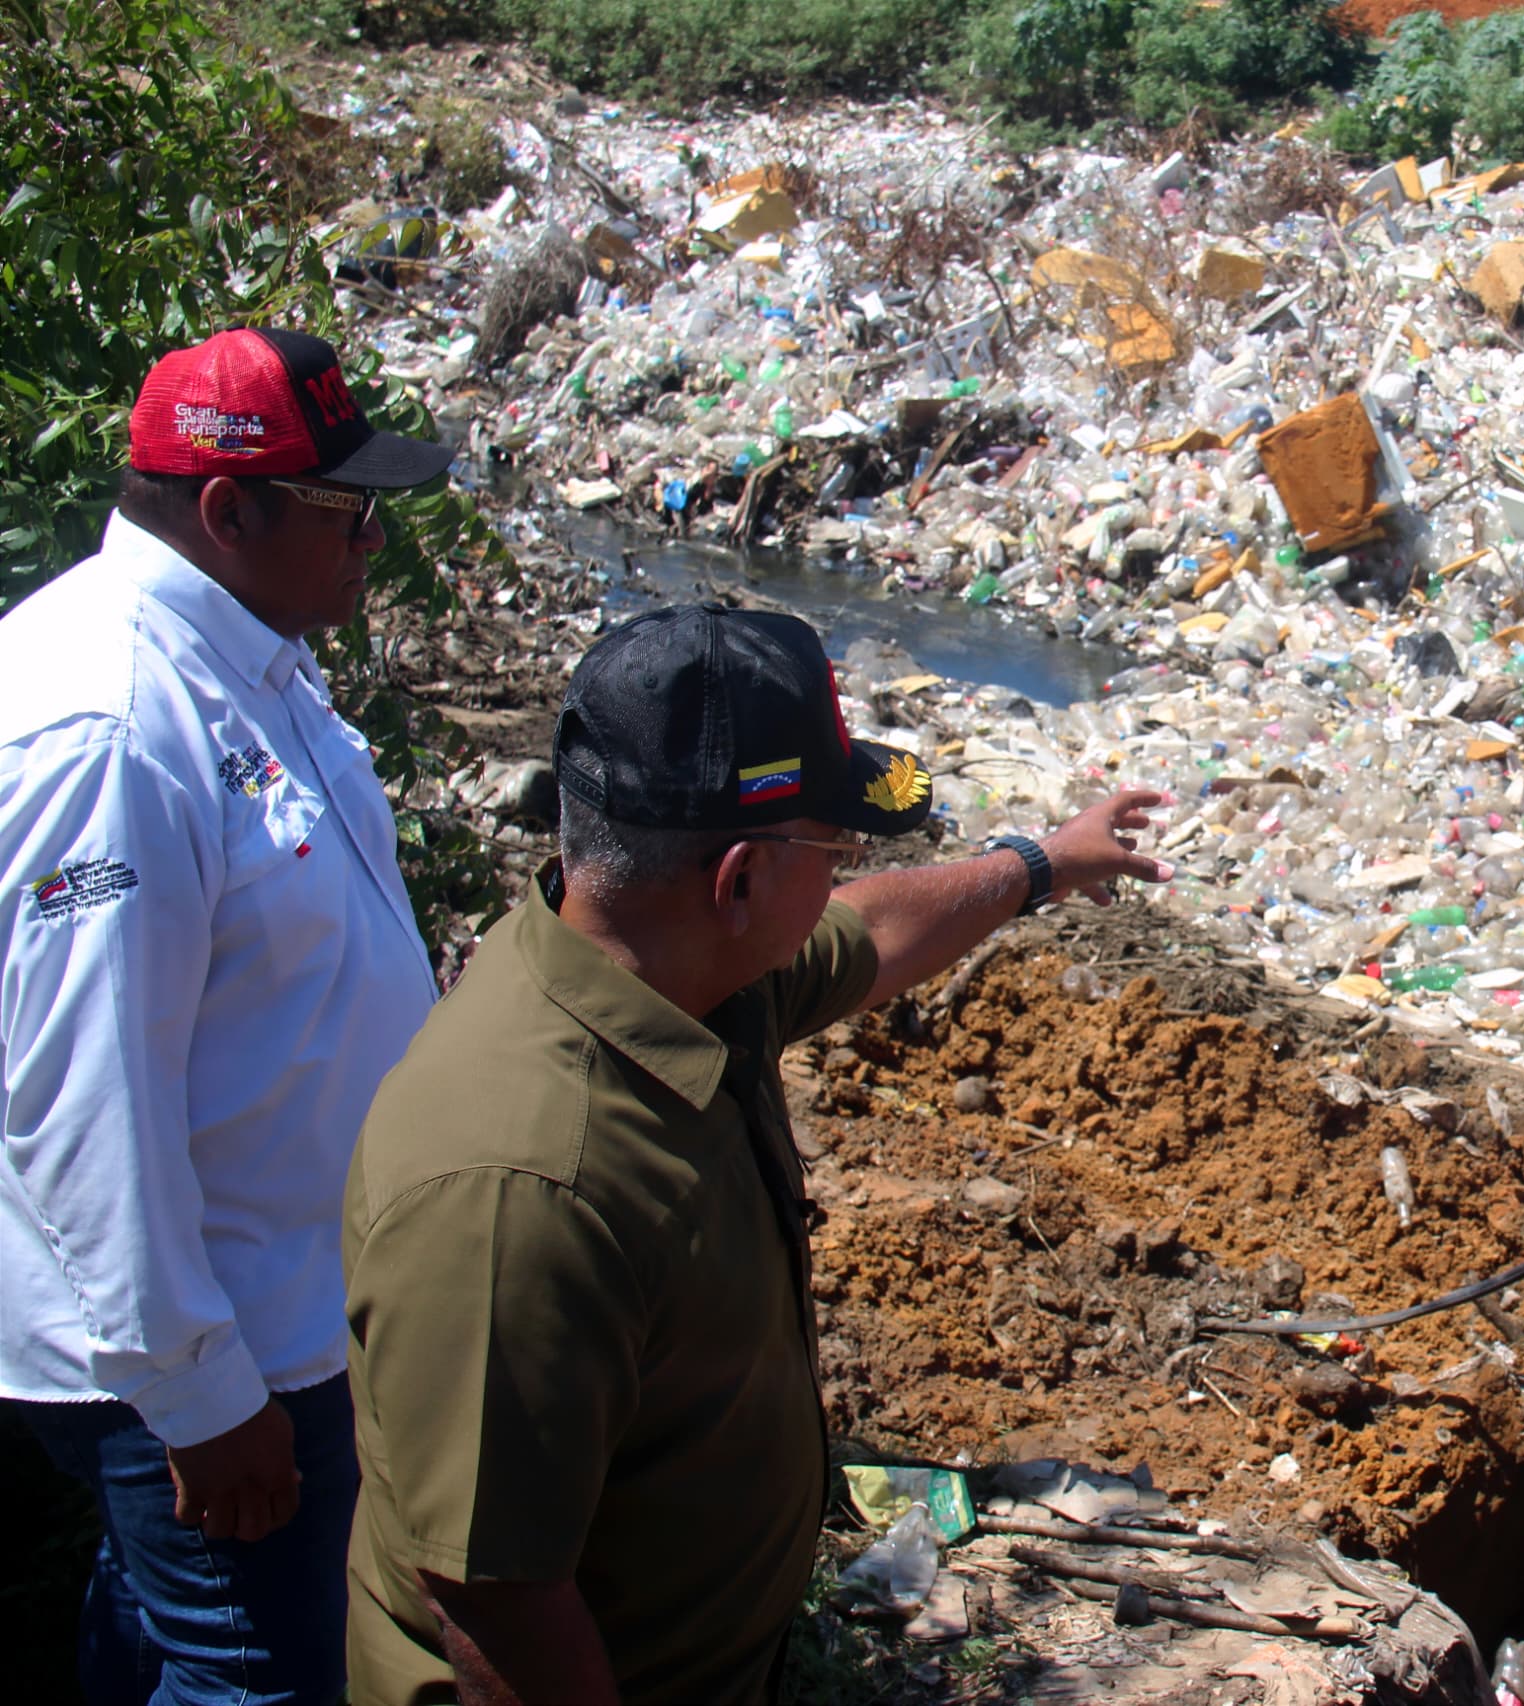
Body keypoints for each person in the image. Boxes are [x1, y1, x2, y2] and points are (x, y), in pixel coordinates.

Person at [339, 604, 1174, 1704]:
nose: (849, 867)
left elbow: (865, 935)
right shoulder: (517, 1194)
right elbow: (496, 1593)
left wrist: (1039, 864)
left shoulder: (667, 966)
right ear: (736, 881)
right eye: (833, 848)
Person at [0, 329, 454, 1704]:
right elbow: (83, 1094)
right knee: (257, 1670)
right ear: (225, 508)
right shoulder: (115, 724)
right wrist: (199, 1397)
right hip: (216, 1342)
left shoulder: (244, 652)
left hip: (284, 1305)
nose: (374, 541)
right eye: (348, 509)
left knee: (166, 1633)